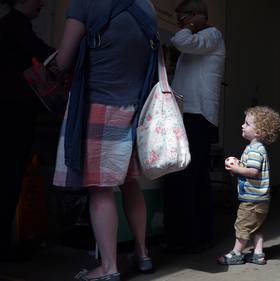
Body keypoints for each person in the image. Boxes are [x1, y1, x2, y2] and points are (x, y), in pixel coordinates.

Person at [52, 0, 158, 279]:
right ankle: (143, 252)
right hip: (135, 109)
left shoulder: (86, 4)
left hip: (98, 106)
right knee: (129, 182)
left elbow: (64, 60)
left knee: (99, 189)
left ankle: (108, 267)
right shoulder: (146, 7)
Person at [162, 0, 226, 253]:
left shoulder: (212, 34)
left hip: (197, 116)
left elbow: (182, 40)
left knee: (186, 177)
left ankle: (186, 238)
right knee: (194, 177)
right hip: (189, 115)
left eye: (184, 18)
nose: (180, 23)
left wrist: (187, 26)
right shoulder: (202, 40)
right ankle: (197, 236)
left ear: (198, 15)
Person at [0, 0, 55, 262]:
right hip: (13, 116)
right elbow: (49, 56)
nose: (42, 3)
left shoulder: (10, 25)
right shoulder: (17, 26)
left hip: (10, 114)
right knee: (9, 180)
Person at [217, 106, 280, 265]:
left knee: (243, 226)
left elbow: (253, 171)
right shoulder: (258, 148)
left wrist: (236, 169)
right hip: (261, 200)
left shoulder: (254, 149)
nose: (242, 125)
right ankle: (258, 254)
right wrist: (240, 165)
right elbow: (251, 168)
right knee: (256, 227)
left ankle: (236, 253)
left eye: (246, 124)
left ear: (258, 132)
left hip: (251, 200)